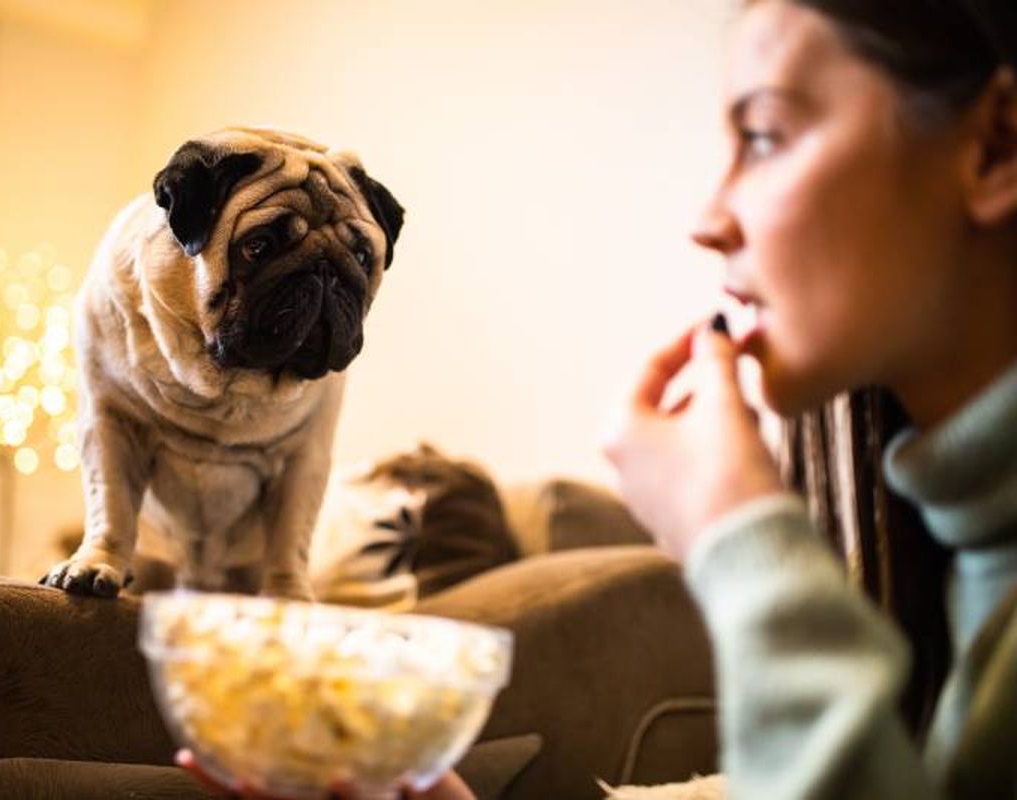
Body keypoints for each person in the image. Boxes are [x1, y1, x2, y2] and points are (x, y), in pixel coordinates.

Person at [185, 0, 1017, 796]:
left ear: (995, 148)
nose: (707, 218)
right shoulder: (956, 556)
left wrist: (741, 537)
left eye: (763, 138)